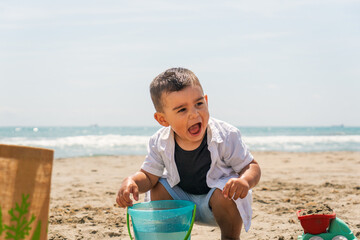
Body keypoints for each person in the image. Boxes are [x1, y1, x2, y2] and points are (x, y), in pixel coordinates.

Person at [116, 67, 261, 240]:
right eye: (182, 110)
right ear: (163, 119)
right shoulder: (159, 141)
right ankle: (171, 236)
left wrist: (245, 181)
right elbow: (148, 177)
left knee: (225, 191)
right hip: (181, 205)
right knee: (159, 185)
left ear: (206, 101)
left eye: (199, 103)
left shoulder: (226, 135)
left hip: (218, 206)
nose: (194, 114)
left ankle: (230, 237)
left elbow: (251, 166)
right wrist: (131, 181)